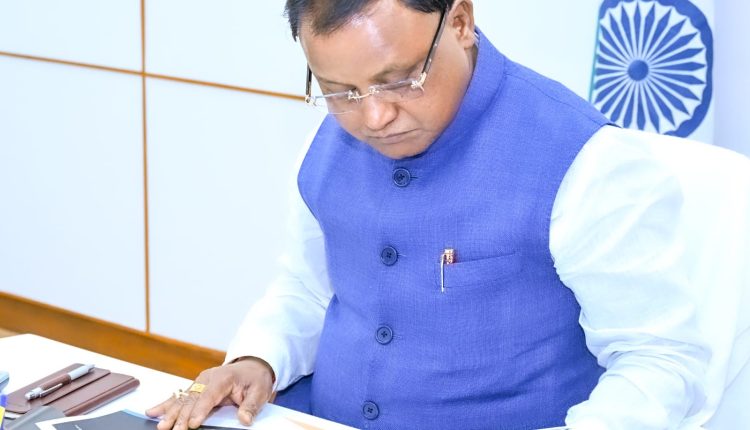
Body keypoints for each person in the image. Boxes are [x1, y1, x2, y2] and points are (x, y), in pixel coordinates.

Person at [146, 1, 750, 429]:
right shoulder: (326, 145)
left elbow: (660, 361)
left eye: (398, 80)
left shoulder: (587, 161)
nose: (373, 117)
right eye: (339, 90)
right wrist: (256, 359)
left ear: (459, 22)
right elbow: (309, 289)